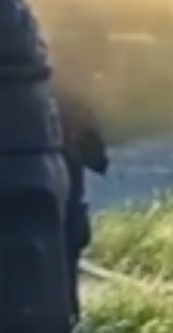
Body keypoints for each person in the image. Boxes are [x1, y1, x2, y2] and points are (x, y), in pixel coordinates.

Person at [57, 86, 110, 325]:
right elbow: (98, 160)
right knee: (65, 301)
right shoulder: (73, 102)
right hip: (66, 216)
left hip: (43, 218)